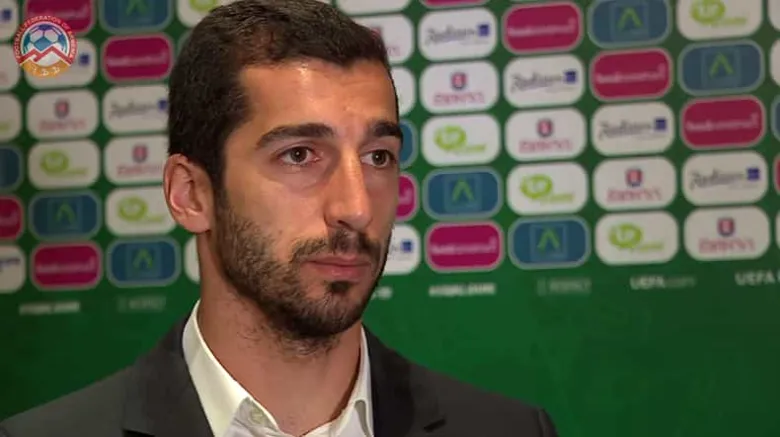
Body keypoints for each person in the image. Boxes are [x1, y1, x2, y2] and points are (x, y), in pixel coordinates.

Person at [0, 1, 559, 436]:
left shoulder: (510, 431)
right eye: (299, 155)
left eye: (377, 157)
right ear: (191, 194)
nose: (356, 207)